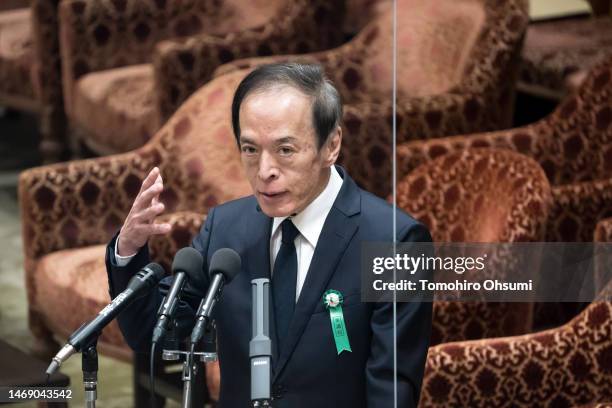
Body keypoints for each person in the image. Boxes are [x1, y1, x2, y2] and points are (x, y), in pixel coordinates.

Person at [105, 62, 432, 407]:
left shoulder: (395, 242)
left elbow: (390, 391)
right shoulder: (226, 228)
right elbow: (151, 332)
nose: (265, 171)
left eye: (285, 150)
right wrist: (128, 249)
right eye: (250, 150)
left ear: (331, 144)